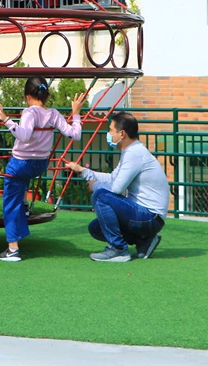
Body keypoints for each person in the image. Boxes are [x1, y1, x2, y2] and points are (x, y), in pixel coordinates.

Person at [0, 79, 85, 262]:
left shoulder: (29, 112)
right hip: (40, 163)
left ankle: (13, 249)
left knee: (10, 203)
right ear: (47, 95)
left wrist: (6, 120)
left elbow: (24, 136)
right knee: (21, 186)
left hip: (21, 163)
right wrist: (76, 113)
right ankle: (24, 207)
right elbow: (75, 135)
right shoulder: (53, 114)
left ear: (27, 96)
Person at [64, 111, 169, 263]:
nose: (108, 134)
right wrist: (83, 171)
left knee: (100, 196)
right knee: (96, 228)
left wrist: (96, 186)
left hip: (149, 217)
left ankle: (118, 250)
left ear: (122, 134)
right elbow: (113, 178)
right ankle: (143, 241)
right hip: (148, 217)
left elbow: (116, 188)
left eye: (111, 130)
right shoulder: (131, 152)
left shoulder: (134, 154)